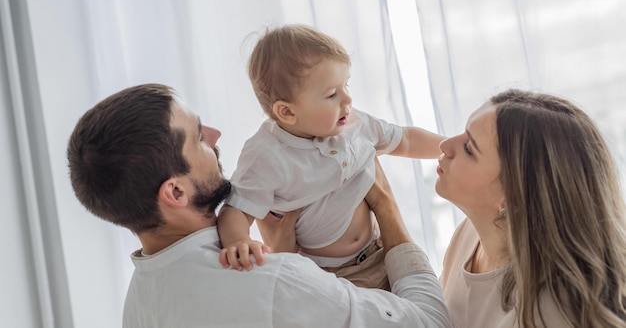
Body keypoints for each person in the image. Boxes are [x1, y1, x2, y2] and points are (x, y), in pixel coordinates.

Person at [67, 83, 452, 328]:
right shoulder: (270, 281)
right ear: (176, 193)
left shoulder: (140, 305)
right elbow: (431, 323)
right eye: (199, 137)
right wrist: (386, 209)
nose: (216, 135)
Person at [217, 24, 444, 290]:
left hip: (383, 248)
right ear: (287, 113)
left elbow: (404, 140)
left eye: (345, 85)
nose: (347, 99)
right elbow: (236, 210)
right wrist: (238, 242)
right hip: (336, 276)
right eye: (332, 94)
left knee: (422, 299)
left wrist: (449, 146)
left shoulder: (353, 124)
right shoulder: (267, 155)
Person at [436, 88, 626, 328]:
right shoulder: (470, 233)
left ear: (513, 197)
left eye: (469, 148)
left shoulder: (550, 315)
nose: (444, 145)